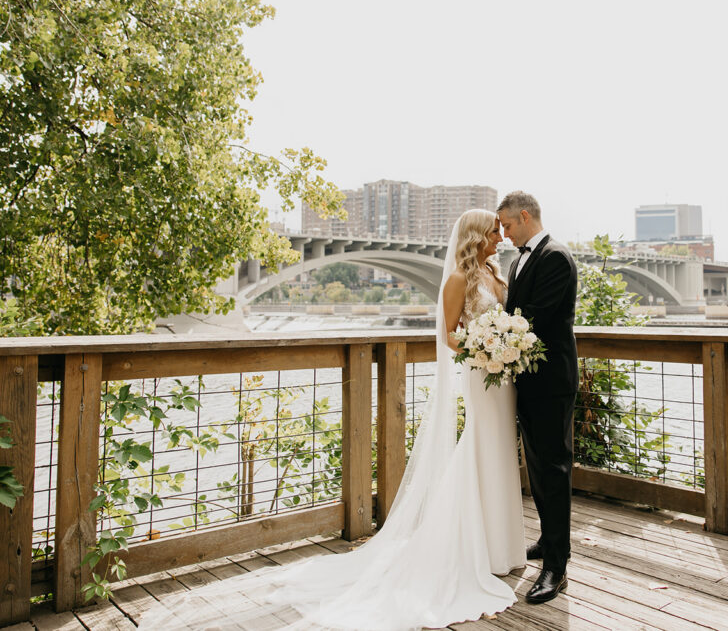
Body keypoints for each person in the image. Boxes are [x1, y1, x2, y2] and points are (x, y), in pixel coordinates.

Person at [138, 209, 527, 630]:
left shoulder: (495, 274)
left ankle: (498, 546)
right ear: (475, 235)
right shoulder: (457, 279)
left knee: (499, 453)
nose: (500, 237)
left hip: (502, 377)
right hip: (480, 372)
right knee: (478, 451)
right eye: (493, 231)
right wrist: (482, 348)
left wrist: (505, 344)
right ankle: (475, 548)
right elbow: (447, 334)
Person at [497, 191, 579, 605]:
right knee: (538, 466)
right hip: (528, 382)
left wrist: (492, 339)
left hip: (551, 383)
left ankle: (557, 567)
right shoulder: (519, 259)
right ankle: (548, 541)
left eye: (508, 226)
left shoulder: (556, 258)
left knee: (555, 469)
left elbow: (534, 321)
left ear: (524, 217)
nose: (504, 235)